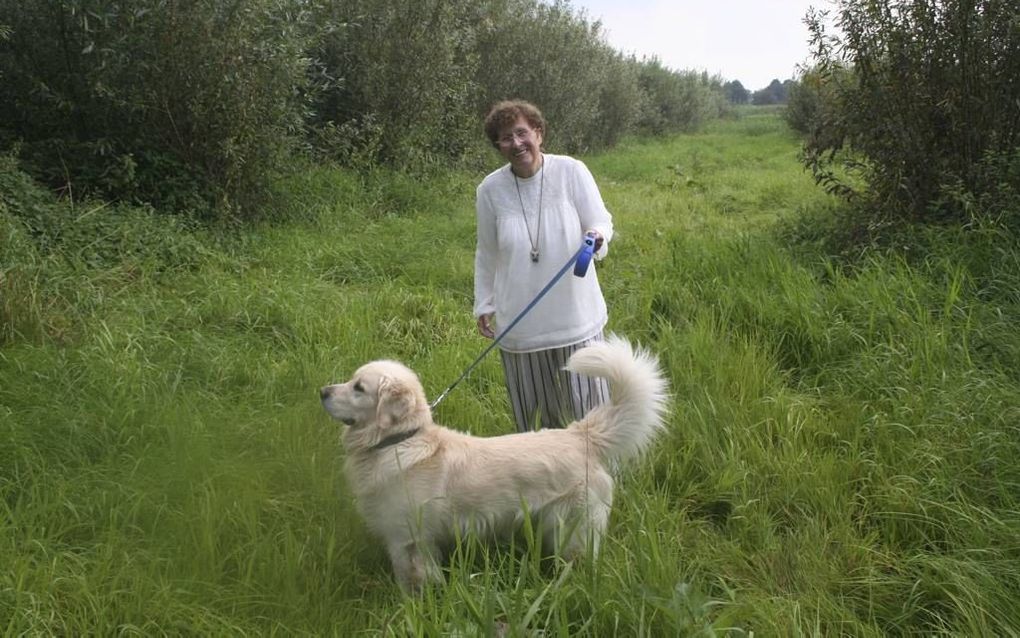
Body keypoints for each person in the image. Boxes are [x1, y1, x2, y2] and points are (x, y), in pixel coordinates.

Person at [474, 99, 615, 432]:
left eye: (522, 133)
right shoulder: (490, 190)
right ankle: (542, 480)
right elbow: (487, 251)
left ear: (538, 133)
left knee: (591, 415)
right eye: (505, 138)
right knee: (536, 421)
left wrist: (595, 236)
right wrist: (484, 302)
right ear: (498, 145)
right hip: (521, 325)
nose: (516, 143)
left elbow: (600, 220)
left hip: (575, 316)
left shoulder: (571, 171)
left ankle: (596, 477)